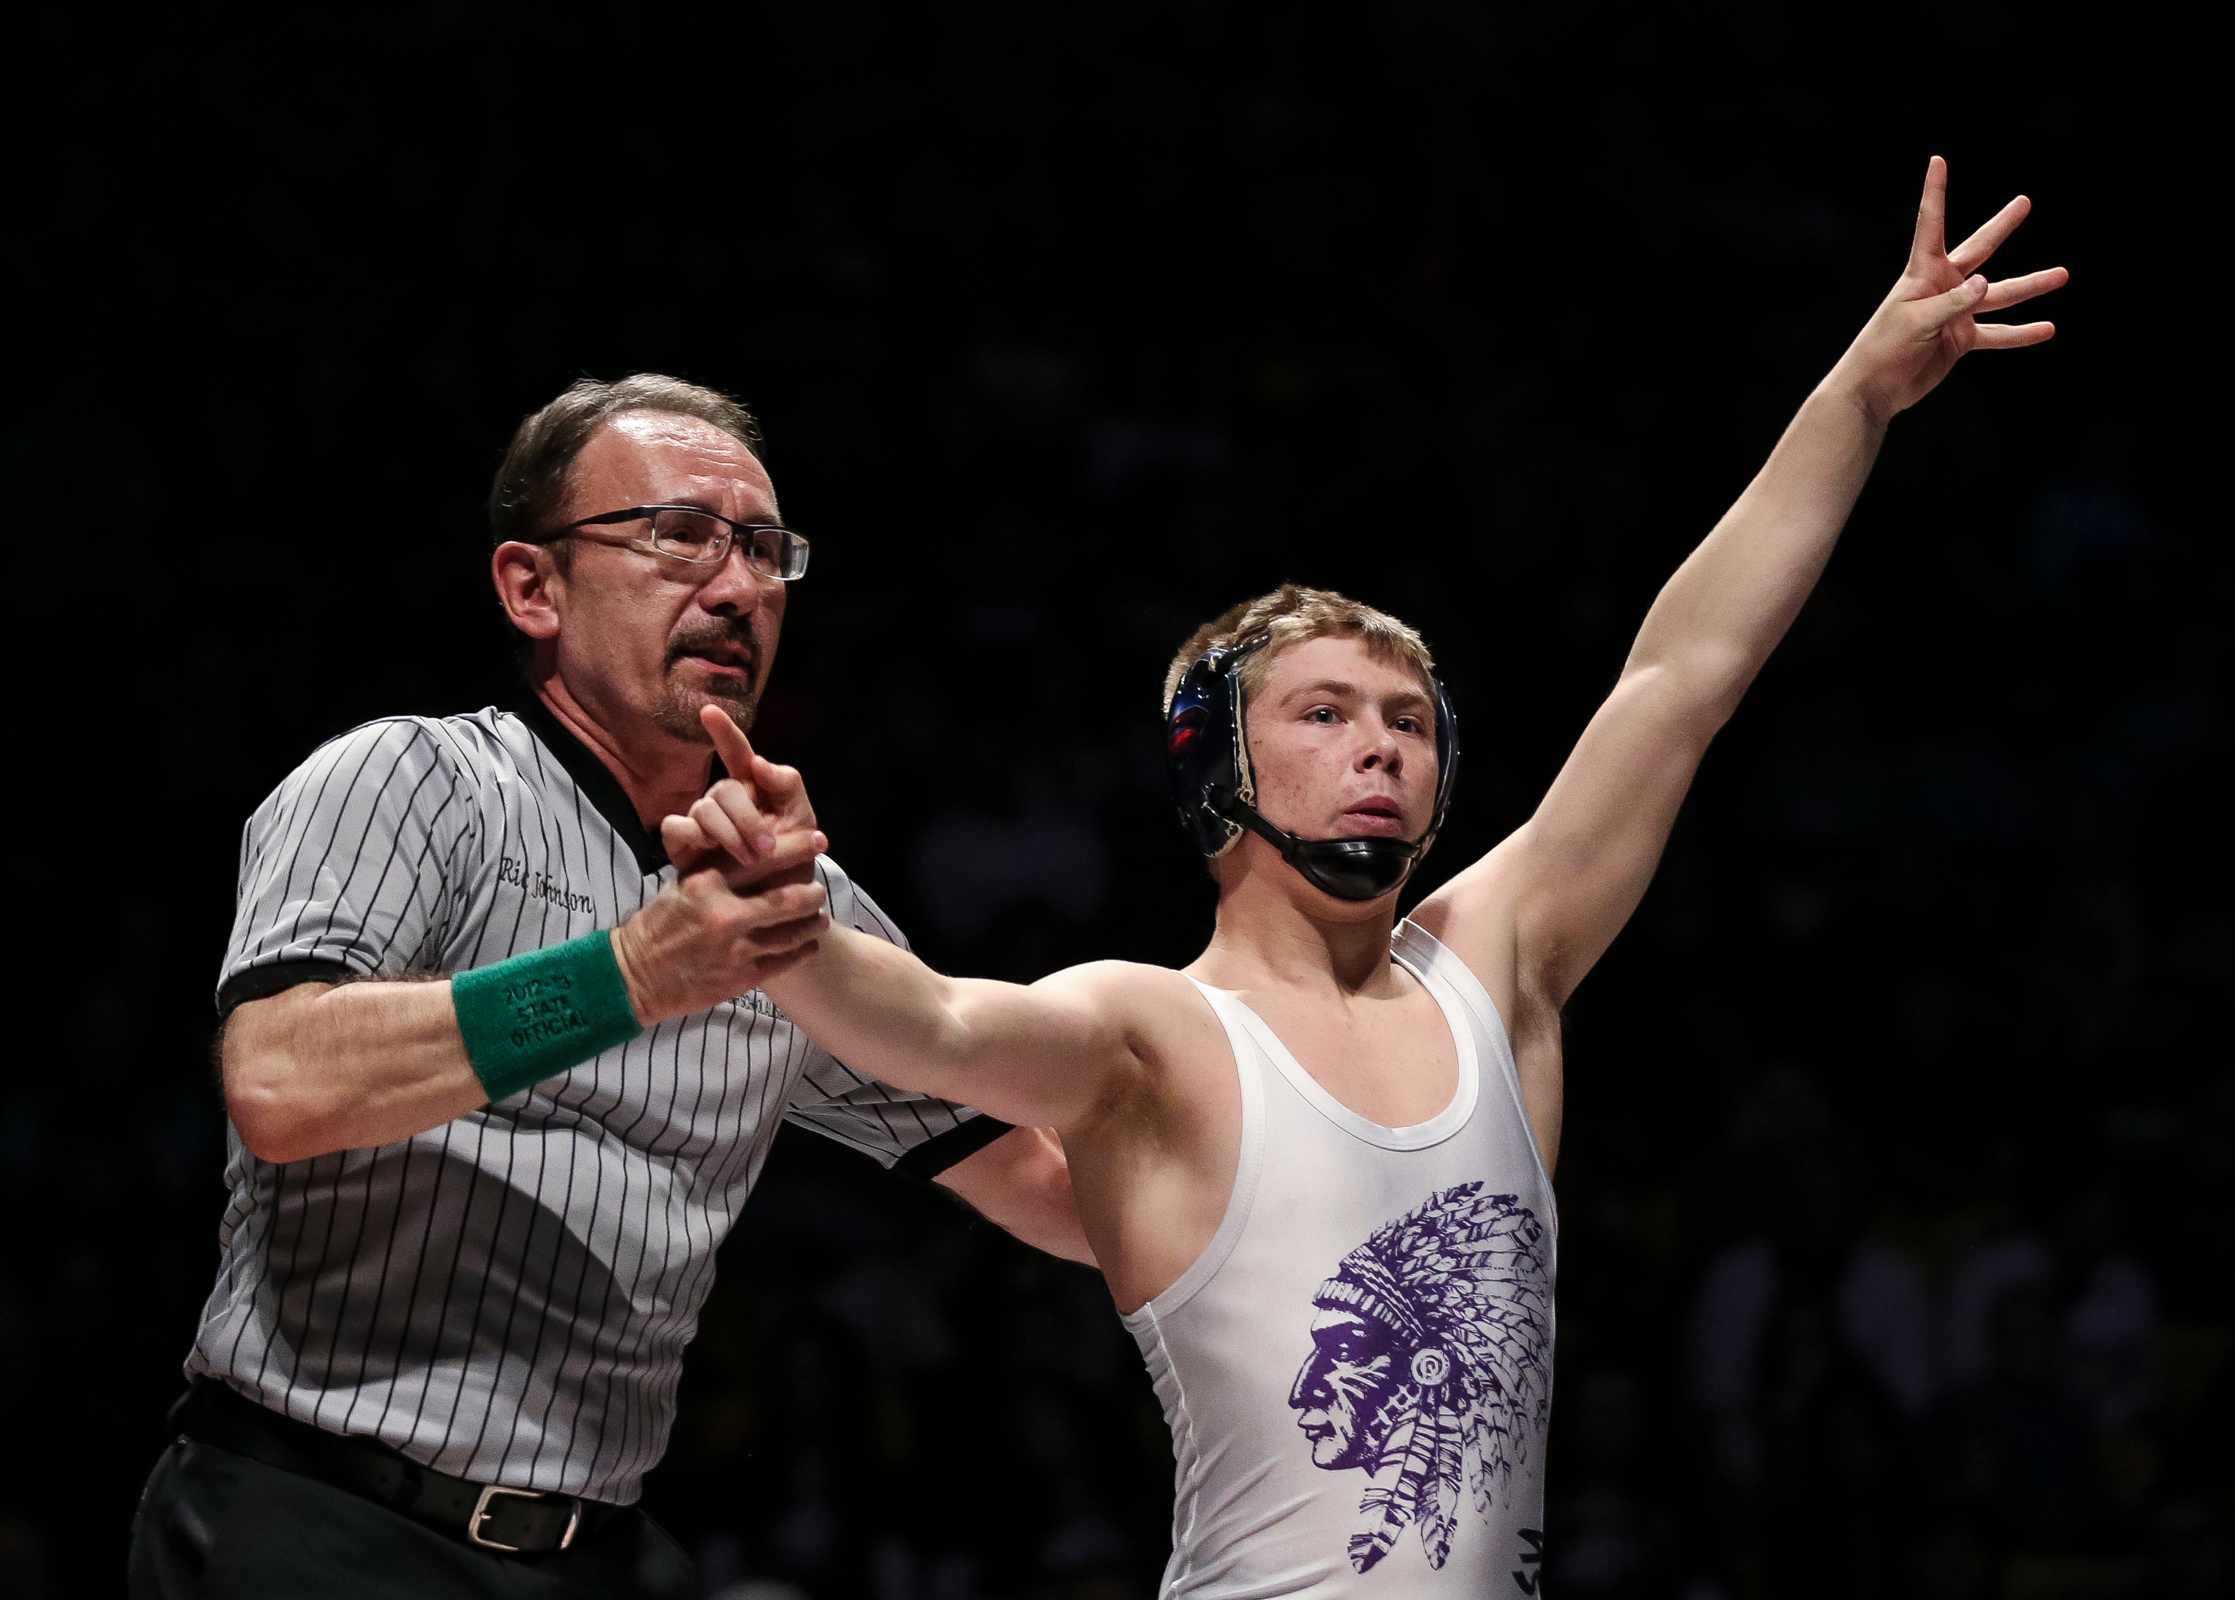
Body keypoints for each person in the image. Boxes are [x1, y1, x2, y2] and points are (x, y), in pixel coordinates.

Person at [674, 158, 2064, 1596]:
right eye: (1325, 715)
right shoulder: (1152, 1034)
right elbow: (937, 1029)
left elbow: (1681, 678)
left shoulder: (1497, 963)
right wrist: (789, 925)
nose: (1380, 749)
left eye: (1408, 722)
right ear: (1218, 764)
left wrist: (1858, 396)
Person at [127, 375, 1090, 1599]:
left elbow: (1052, 1187)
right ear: (533, 587)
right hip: (317, 1515)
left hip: (597, 1546)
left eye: (763, 553)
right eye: (678, 537)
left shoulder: (797, 902)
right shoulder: (411, 781)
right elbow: (280, 1079)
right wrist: (635, 973)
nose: (737, 588)